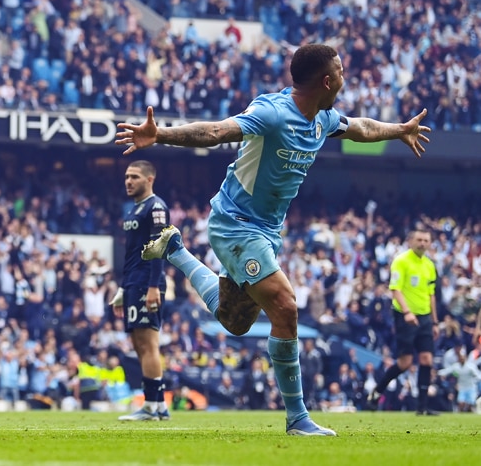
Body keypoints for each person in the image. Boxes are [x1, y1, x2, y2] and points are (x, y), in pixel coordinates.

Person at [116, 43, 431, 436]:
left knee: (234, 320)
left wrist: (399, 130)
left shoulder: (322, 118)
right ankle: (298, 417)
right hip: (235, 223)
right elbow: (216, 131)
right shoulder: (272, 112)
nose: (346, 79)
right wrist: (160, 134)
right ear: (328, 80)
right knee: (285, 306)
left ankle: (176, 251)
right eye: (342, 72)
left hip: (265, 231)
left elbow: (362, 128)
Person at [110, 160, 171, 421]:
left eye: (134, 177)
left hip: (147, 282)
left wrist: (153, 286)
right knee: (139, 344)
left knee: (148, 344)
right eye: (126, 177)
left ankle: (152, 406)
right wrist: (124, 288)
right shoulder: (134, 209)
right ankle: (158, 405)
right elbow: (131, 254)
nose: (128, 181)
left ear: (149, 179)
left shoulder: (156, 207)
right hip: (134, 283)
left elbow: (158, 249)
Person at [372, 228, 439, 415]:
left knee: (427, 359)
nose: (423, 243)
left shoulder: (429, 265)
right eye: (419, 239)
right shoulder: (401, 261)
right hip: (404, 316)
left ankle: (422, 407)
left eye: (426, 240)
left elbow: (431, 294)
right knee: (405, 363)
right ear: (411, 241)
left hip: (425, 316)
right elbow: (395, 289)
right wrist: (408, 312)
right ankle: (377, 392)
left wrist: (435, 322)